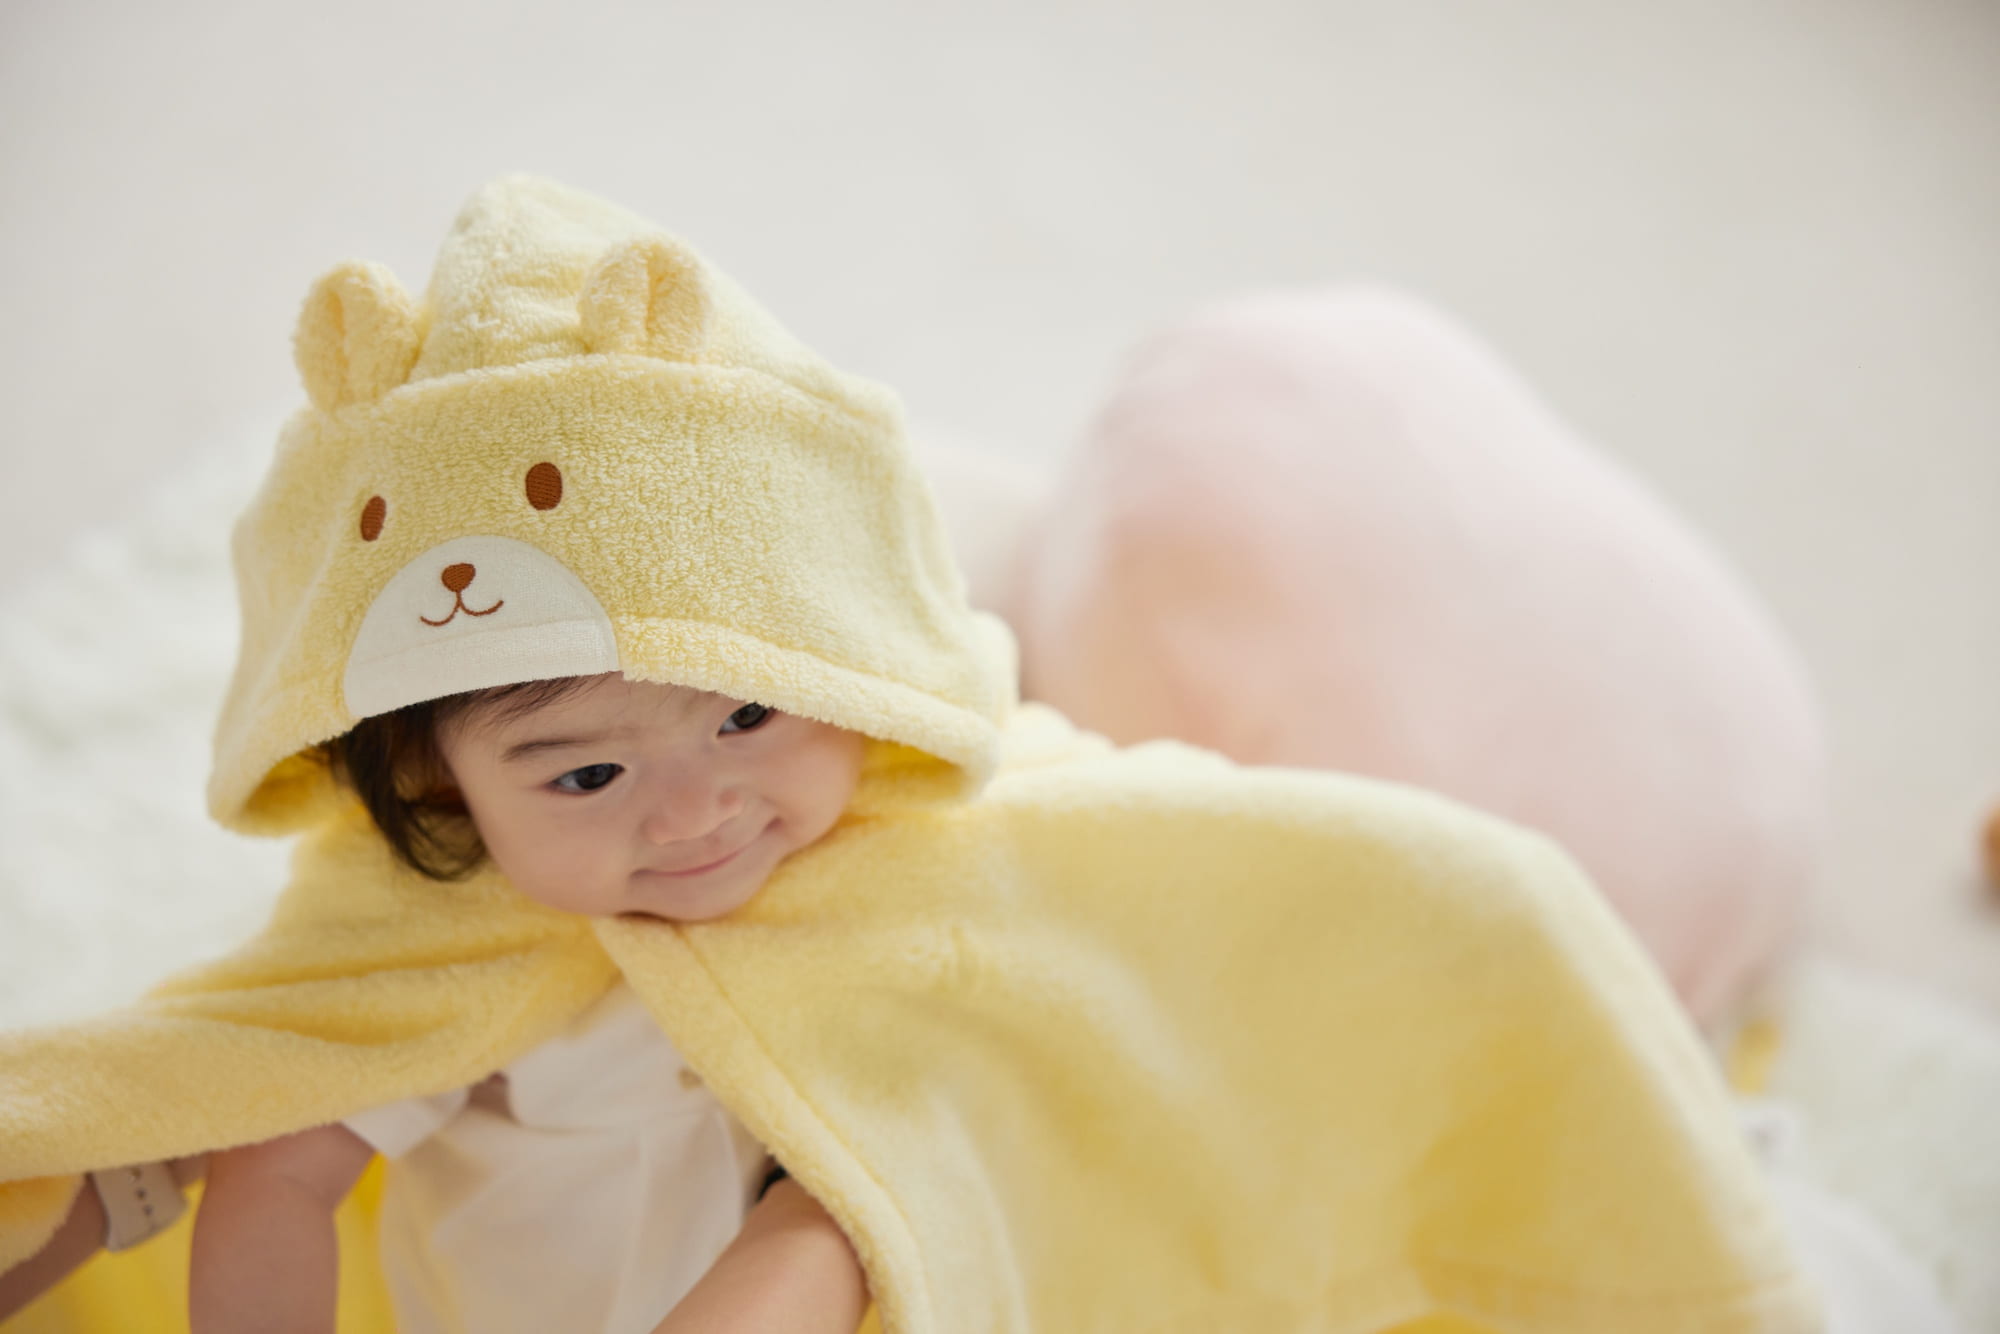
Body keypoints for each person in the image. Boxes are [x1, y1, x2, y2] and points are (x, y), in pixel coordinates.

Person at [0, 175, 1827, 1334]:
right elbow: (276, 1162)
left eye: (747, 711)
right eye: (581, 775)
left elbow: (1162, 974)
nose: (698, 810)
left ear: (839, 668)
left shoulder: (951, 848)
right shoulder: (429, 946)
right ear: (435, 798)